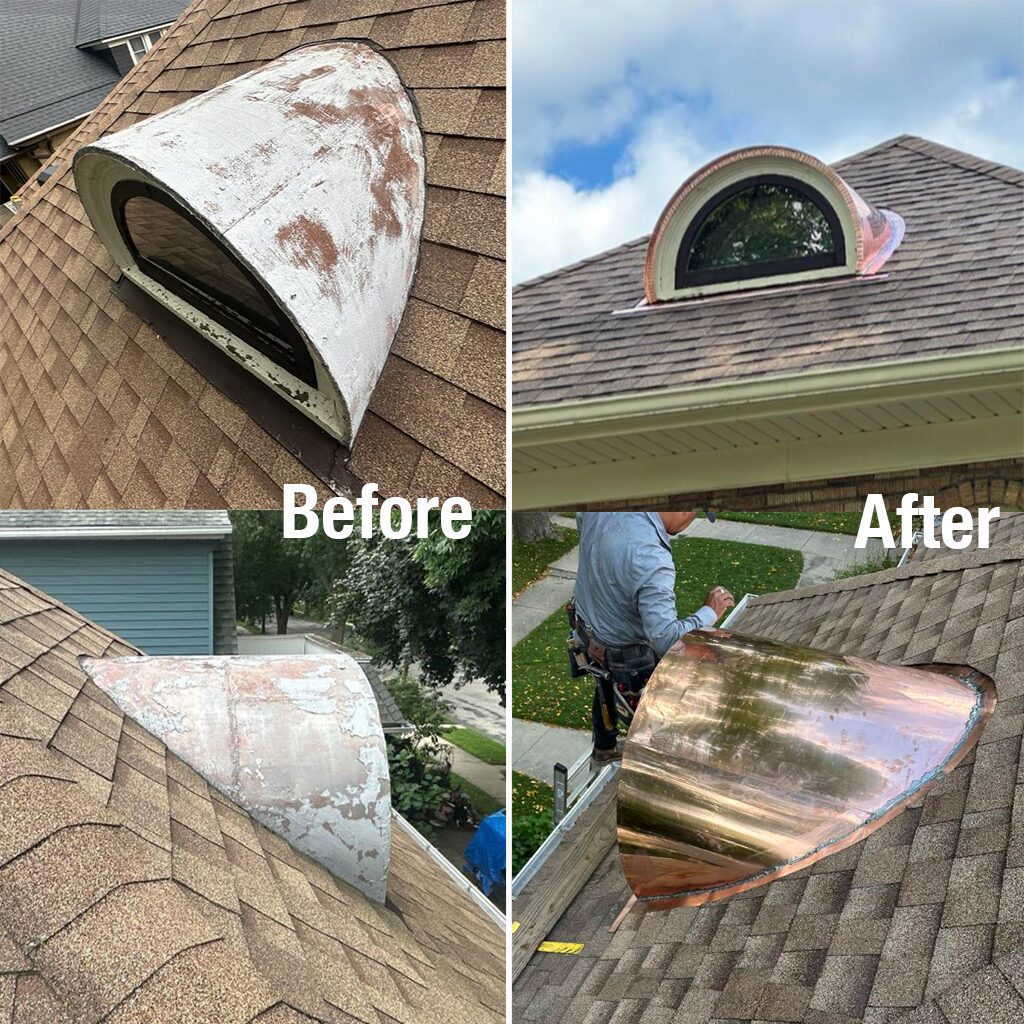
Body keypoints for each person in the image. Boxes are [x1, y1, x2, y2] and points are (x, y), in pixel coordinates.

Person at [570, 511, 735, 763]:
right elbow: (667, 639)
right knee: (658, 710)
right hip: (621, 652)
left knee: (603, 681)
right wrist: (709, 612)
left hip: (588, 630)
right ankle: (649, 769)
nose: (689, 523)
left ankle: (604, 749)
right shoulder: (650, 558)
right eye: (695, 513)